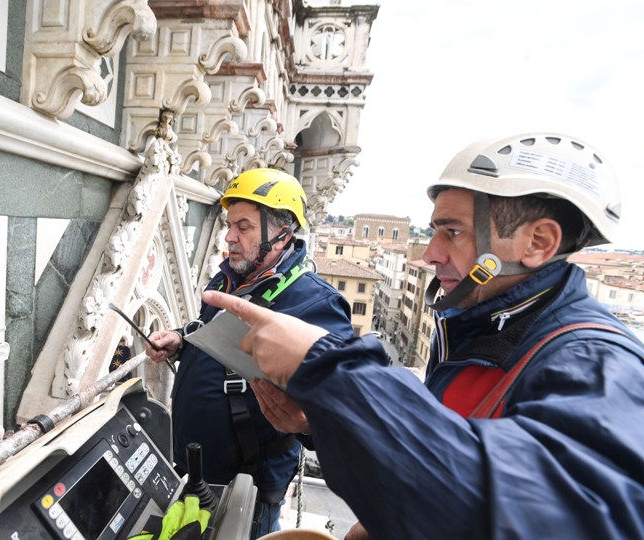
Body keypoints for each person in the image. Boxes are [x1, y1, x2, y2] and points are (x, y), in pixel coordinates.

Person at [202, 133, 644, 539]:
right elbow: (443, 466)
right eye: (434, 231)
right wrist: (316, 422)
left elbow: (544, 518)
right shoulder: (477, 327)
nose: (431, 253)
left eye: (452, 232)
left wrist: (326, 372)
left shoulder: (599, 365)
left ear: (538, 242)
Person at [145, 168, 353, 538]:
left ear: (282, 233)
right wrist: (181, 340)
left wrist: (307, 421)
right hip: (197, 475)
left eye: (244, 226)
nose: (229, 237)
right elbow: (214, 336)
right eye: (229, 225)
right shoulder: (229, 279)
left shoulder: (316, 305)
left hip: (248, 491)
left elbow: (338, 414)